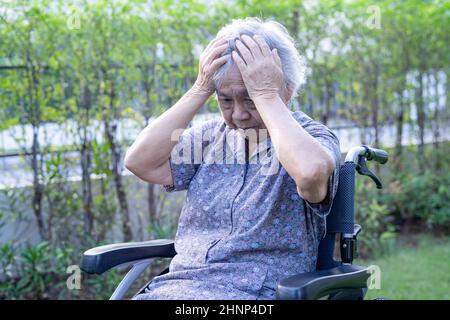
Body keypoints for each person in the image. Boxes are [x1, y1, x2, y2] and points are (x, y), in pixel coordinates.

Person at [125, 17, 340, 300]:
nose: (238, 114)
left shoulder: (311, 139)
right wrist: (200, 88)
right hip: (177, 289)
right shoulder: (211, 137)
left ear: (286, 90)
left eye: (249, 99)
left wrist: (265, 94)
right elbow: (139, 162)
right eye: (226, 100)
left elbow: (311, 174)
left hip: (254, 294)